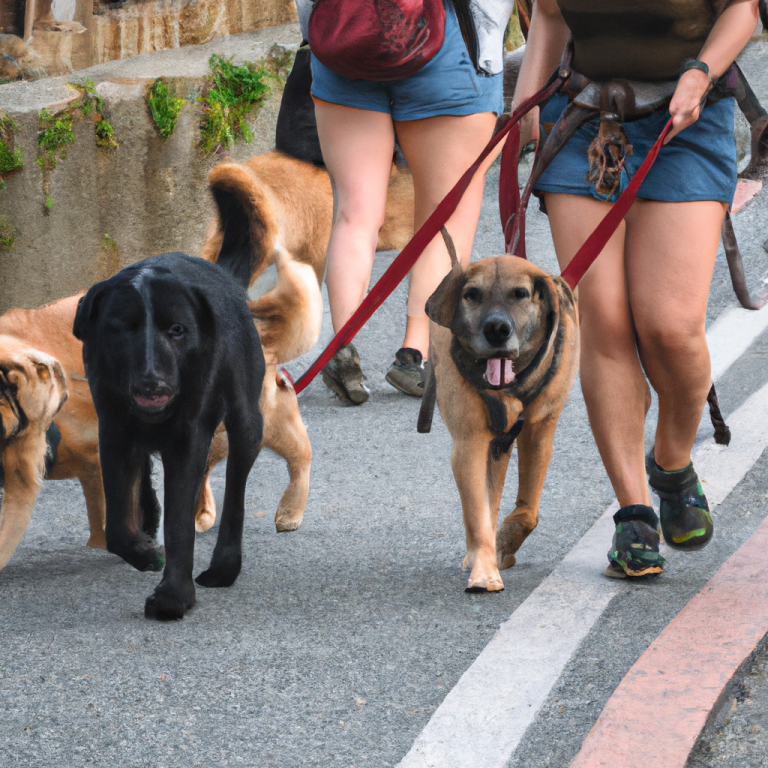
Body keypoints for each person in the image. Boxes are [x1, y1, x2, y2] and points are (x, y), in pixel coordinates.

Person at [512, 0, 760, 577]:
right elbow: (549, 16)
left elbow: (744, 9)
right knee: (606, 321)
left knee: (670, 327)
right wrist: (526, 110)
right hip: (581, 116)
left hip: (687, 116)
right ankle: (634, 512)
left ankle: (671, 462)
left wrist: (701, 72)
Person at [295, 0, 515, 402]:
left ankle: (342, 348)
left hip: (347, 34)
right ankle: (415, 354)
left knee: (355, 212)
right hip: (452, 40)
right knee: (444, 216)